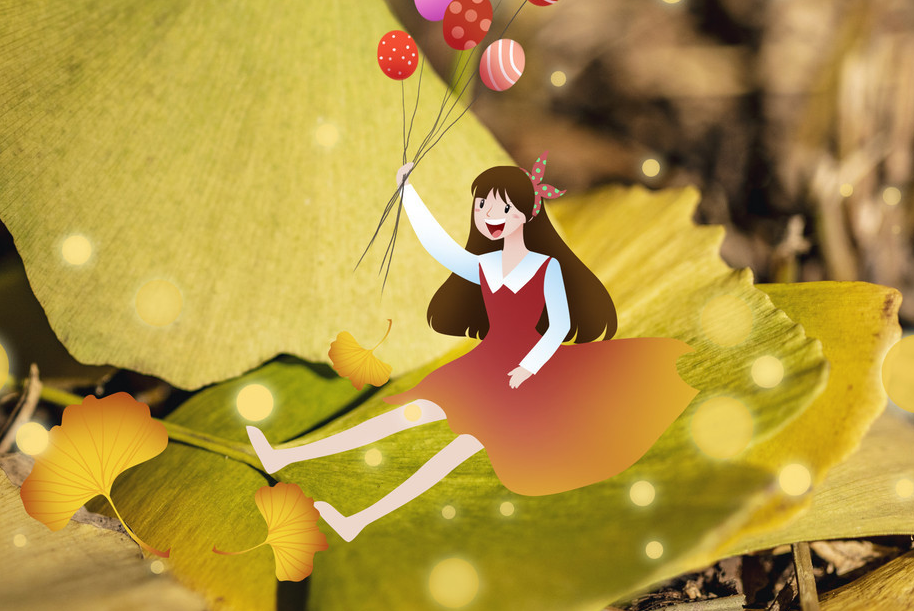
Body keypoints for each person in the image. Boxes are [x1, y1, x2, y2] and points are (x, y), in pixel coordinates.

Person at [248, 156, 695, 542]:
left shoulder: (547, 268)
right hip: (483, 366)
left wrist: (529, 366)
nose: (487, 214)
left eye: (499, 206)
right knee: (403, 417)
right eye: (481, 205)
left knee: (450, 453)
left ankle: (357, 519)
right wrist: (408, 193)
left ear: (523, 213)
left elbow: (558, 325)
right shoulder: (483, 263)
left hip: (521, 378)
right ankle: (285, 455)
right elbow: (438, 245)